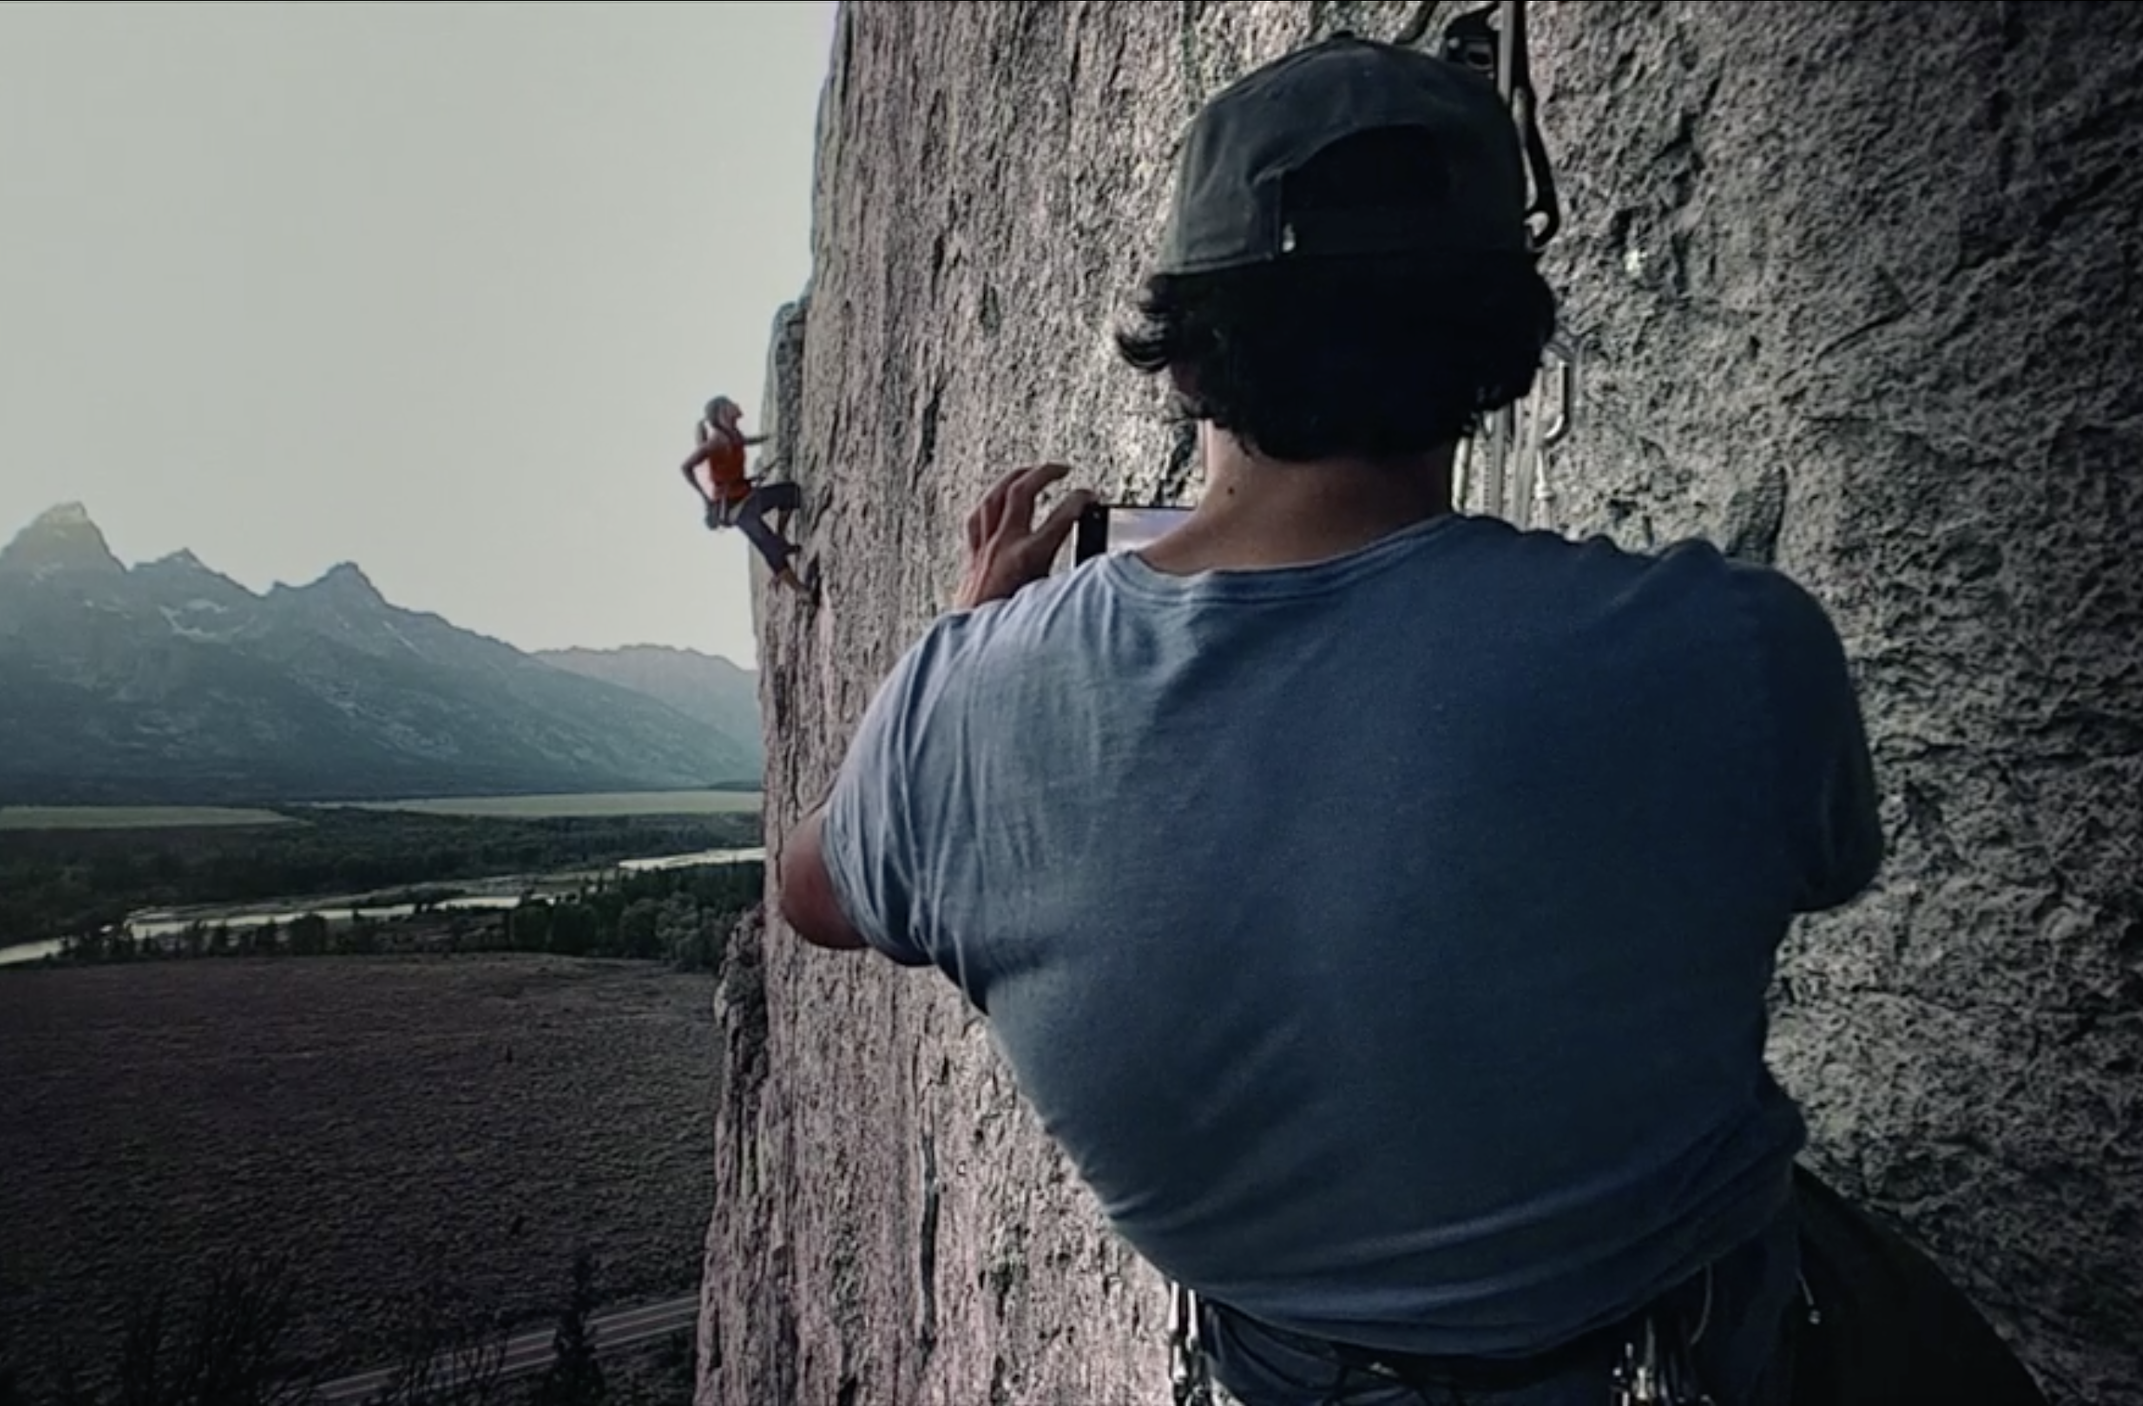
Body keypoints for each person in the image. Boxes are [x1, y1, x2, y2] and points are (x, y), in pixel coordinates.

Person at [773, 34, 1906, 1406]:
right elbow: (1833, 856)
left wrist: (966, 648)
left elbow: (814, 890)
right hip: (1684, 1360)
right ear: (1501, 353)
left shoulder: (960, 707)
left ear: (1185, 362)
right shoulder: (1736, 649)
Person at [681, 394, 819, 602]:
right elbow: (686, 467)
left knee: (790, 494)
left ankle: (780, 538)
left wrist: (769, 437)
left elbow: (743, 442)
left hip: (747, 496)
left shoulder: (732, 434)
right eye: (730, 405)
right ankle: (802, 592)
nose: (736, 405)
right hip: (735, 509)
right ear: (722, 412)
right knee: (769, 547)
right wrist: (705, 499)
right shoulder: (714, 444)